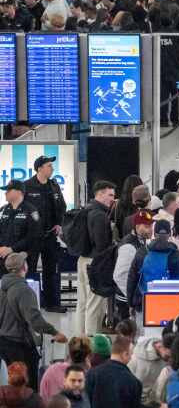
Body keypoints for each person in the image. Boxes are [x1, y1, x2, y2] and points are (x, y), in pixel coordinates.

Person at [0, 252, 67, 387]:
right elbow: (35, 321)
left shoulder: (2, 287)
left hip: (4, 342)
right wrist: (55, 333)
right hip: (20, 344)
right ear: (24, 267)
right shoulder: (24, 290)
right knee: (28, 384)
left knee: (12, 382)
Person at [23, 154, 67, 313]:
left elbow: (62, 207)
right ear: (40, 168)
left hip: (49, 235)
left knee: (51, 270)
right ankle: (29, 304)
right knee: (30, 270)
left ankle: (51, 303)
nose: (52, 168)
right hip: (32, 237)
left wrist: (59, 224)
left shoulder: (54, 185)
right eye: (49, 165)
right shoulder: (26, 186)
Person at [75, 180, 116, 337]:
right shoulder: (99, 215)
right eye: (110, 194)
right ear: (100, 194)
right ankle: (92, 344)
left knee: (83, 303)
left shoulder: (86, 210)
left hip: (82, 260)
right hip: (96, 263)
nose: (113, 198)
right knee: (95, 305)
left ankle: (80, 339)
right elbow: (101, 244)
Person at [126, 219, 179, 324]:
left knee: (144, 337)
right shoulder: (175, 254)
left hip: (144, 301)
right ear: (169, 234)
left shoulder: (143, 252)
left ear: (154, 233)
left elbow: (132, 278)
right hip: (169, 304)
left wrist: (131, 303)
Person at [85, 336, 142, 408]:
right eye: (131, 354)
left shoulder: (91, 374)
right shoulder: (134, 382)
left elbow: (85, 405)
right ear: (125, 354)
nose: (131, 357)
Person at [0, 180, 42, 276]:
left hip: (22, 260)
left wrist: (12, 249)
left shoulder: (31, 211)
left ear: (19, 192)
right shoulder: (3, 210)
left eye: (9, 190)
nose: (5, 193)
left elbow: (34, 237)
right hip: (3, 258)